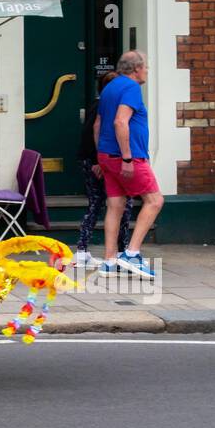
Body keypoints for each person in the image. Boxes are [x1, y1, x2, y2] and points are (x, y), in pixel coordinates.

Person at [93, 50, 162, 279]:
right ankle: (131, 254)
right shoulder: (132, 88)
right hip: (127, 157)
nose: (147, 71)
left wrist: (101, 156)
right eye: (146, 67)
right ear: (136, 69)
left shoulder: (110, 87)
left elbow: (98, 123)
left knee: (115, 205)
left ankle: (110, 261)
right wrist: (127, 158)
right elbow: (120, 121)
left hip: (106, 155)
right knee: (154, 201)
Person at [74, 71, 134, 269]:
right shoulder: (106, 106)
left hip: (93, 159)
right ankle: (121, 250)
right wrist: (97, 159)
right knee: (119, 203)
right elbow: (95, 130)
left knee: (99, 203)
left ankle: (84, 250)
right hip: (100, 161)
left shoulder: (100, 104)